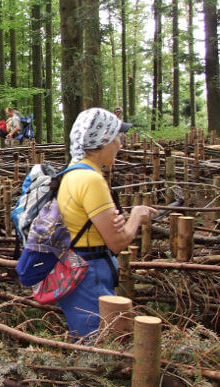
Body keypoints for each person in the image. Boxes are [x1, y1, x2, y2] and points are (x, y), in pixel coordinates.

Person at [56, 108, 155, 339]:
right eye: (117, 136)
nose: (120, 144)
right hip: (89, 273)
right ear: (101, 141)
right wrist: (137, 216)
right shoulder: (90, 179)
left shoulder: (72, 174)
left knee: (91, 343)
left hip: (77, 268)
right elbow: (117, 243)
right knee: (98, 348)